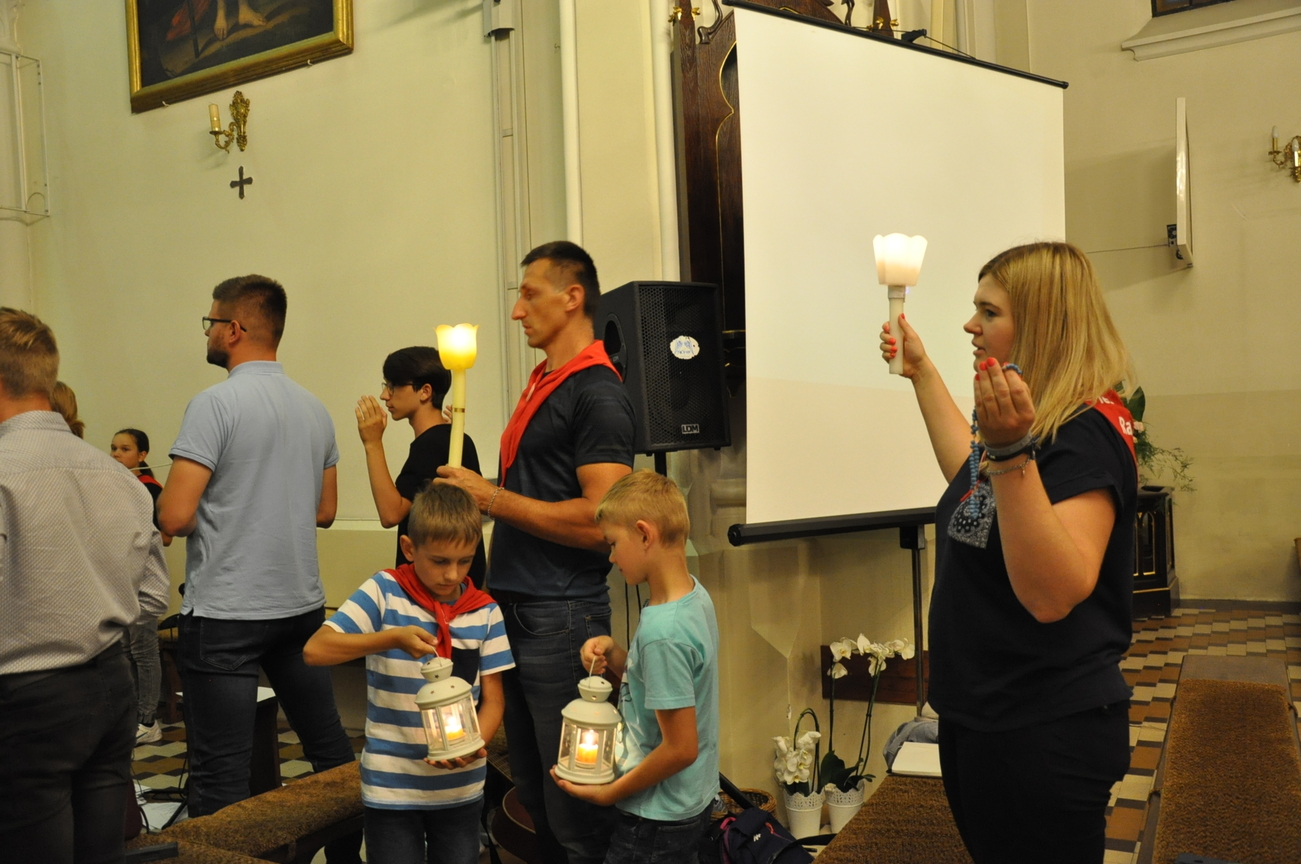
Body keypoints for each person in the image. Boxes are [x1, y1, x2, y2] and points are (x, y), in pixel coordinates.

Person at [879, 241, 1137, 864]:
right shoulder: (1039, 423)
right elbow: (973, 485)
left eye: (989, 312)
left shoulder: (1083, 433)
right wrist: (922, 372)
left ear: (1041, 323)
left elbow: (1052, 594)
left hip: (1042, 726)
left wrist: (1010, 450)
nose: (971, 325)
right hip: (988, 714)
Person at [438, 241, 635, 864]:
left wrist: (491, 498)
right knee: (532, 795)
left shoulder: (597, 391)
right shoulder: (545, 382)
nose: (517, 311)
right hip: (516, 607)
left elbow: (604, 521)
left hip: (562, 614)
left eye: (529, 294)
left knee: (577, 803)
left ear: (572, 297)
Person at [157, 275, 358, 855]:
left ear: (235, 329)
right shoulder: (314, 408)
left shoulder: (214, 404)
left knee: (221, 773)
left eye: (211, 322)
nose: (208, 332)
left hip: (226, 610)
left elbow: (175, 514)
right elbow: (325, 511)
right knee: (329, 753)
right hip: (299, 606)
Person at [0, 308, 170, 864]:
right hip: (110, 684)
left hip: (24, 695)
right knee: (100, 851)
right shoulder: (118, 476)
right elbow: (152, 597)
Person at [303, 483, 514, 864]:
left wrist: (471, 746)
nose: (452, 574)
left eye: (465, 561)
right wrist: (390, 638)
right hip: (392, 785)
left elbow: (494, 700)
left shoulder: (485, 612)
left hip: (460, 787)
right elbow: (315, 650)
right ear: (409, 548)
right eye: (440, 561)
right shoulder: (385, 591)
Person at [552, 471, 719, 864]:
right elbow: (664, 684)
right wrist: (616, 655)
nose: (611, 557)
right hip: (688, 801)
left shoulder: (664, 631)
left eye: (613, 543)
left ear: (644, 534)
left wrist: (610, 793)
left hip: (656, 816)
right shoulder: (693, 597)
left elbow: (681, 748)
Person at [356, 346, 486, 582]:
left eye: (393, 386)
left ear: (425, 391)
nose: (385, 395)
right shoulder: (456, 439)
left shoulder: (431, 444)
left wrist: (372, 443)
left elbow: (390, 513)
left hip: (436, 588)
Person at [110, 427, 172, 745]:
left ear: (142, 455)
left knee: (144, 652)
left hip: (143, 585)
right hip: (118, 583)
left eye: (125, 449)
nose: (116, 455)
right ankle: (131, 716)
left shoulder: (149, 488)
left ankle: (148, 720)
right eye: (114, 448)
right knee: (123, 652)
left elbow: (167, 536)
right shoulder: (114, 485)